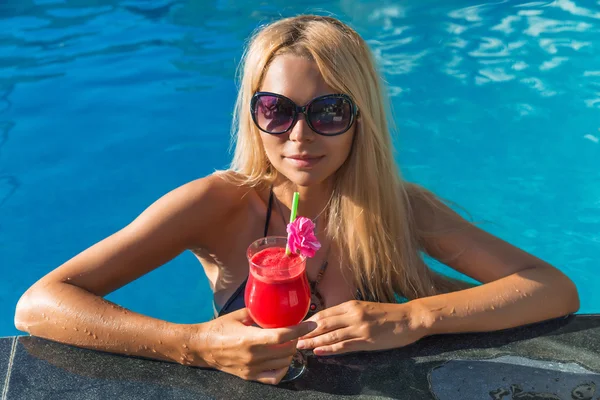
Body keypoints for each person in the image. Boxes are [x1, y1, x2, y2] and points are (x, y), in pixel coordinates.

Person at [14, 15, 579, 385]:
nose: (299, 138)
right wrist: (193, 345)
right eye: (277, 111)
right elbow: (39, 305)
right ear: (253, 115)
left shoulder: (400, 209)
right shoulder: (218, 204)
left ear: (362, 120)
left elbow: (554, 288)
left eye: (329, 112)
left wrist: (416, 316)